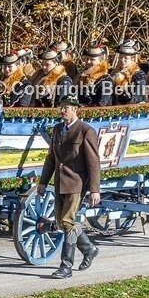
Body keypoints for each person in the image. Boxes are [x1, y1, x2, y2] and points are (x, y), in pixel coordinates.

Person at [36, 94, 101, 279]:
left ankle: (66, 266)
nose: (62, 110)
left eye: (66, 107)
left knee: (67, 222)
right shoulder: (57, 129)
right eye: (61, 107)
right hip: (59, 182)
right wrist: (43, 181)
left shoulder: (85, 131)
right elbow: (51, 158)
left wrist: (94, 189)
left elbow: (94, 162)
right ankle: (89, 249)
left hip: (76, 183)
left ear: (75, 109)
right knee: (62, 222)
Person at [111, 40, 148, 105]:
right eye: (120, 57)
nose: (122, 60)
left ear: (132, 59)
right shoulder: (113, 73)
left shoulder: (139, 75)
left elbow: (137, 98)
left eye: (126, 58)